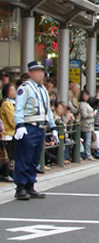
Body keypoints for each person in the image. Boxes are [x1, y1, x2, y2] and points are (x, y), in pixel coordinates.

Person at [13, 61, 59, 200]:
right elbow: (19, 108)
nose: (40, 74)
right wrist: (20, 125)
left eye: (41, 71)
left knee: (34, 158)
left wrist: (53, 127)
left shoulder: (43, 89)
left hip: (40, 127)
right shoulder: (25, 88)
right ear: (30, 73)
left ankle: (30, 185)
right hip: (28, 127)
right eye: (37, 71)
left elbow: (48, 111)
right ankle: (20, 186)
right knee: (24, 158)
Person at [0, 83, 16, 182]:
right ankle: (6, 173)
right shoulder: (7, 104)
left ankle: (10, 173)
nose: (14, 92)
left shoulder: (12, 103)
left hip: (11, 132)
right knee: (8, 155)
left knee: (11, 156)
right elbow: (12, 120)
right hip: (8, 133)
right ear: (7, 92)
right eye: (12, 90)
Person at [79, 90, 95, 161]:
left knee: (87, 140)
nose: (87, 96)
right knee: (87, 141)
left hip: (89, 124)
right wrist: (92, 114)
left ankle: (86, 154)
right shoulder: (82, 104)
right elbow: (84, 115)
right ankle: (87, 154)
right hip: (86, 124)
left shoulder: (86, 103)